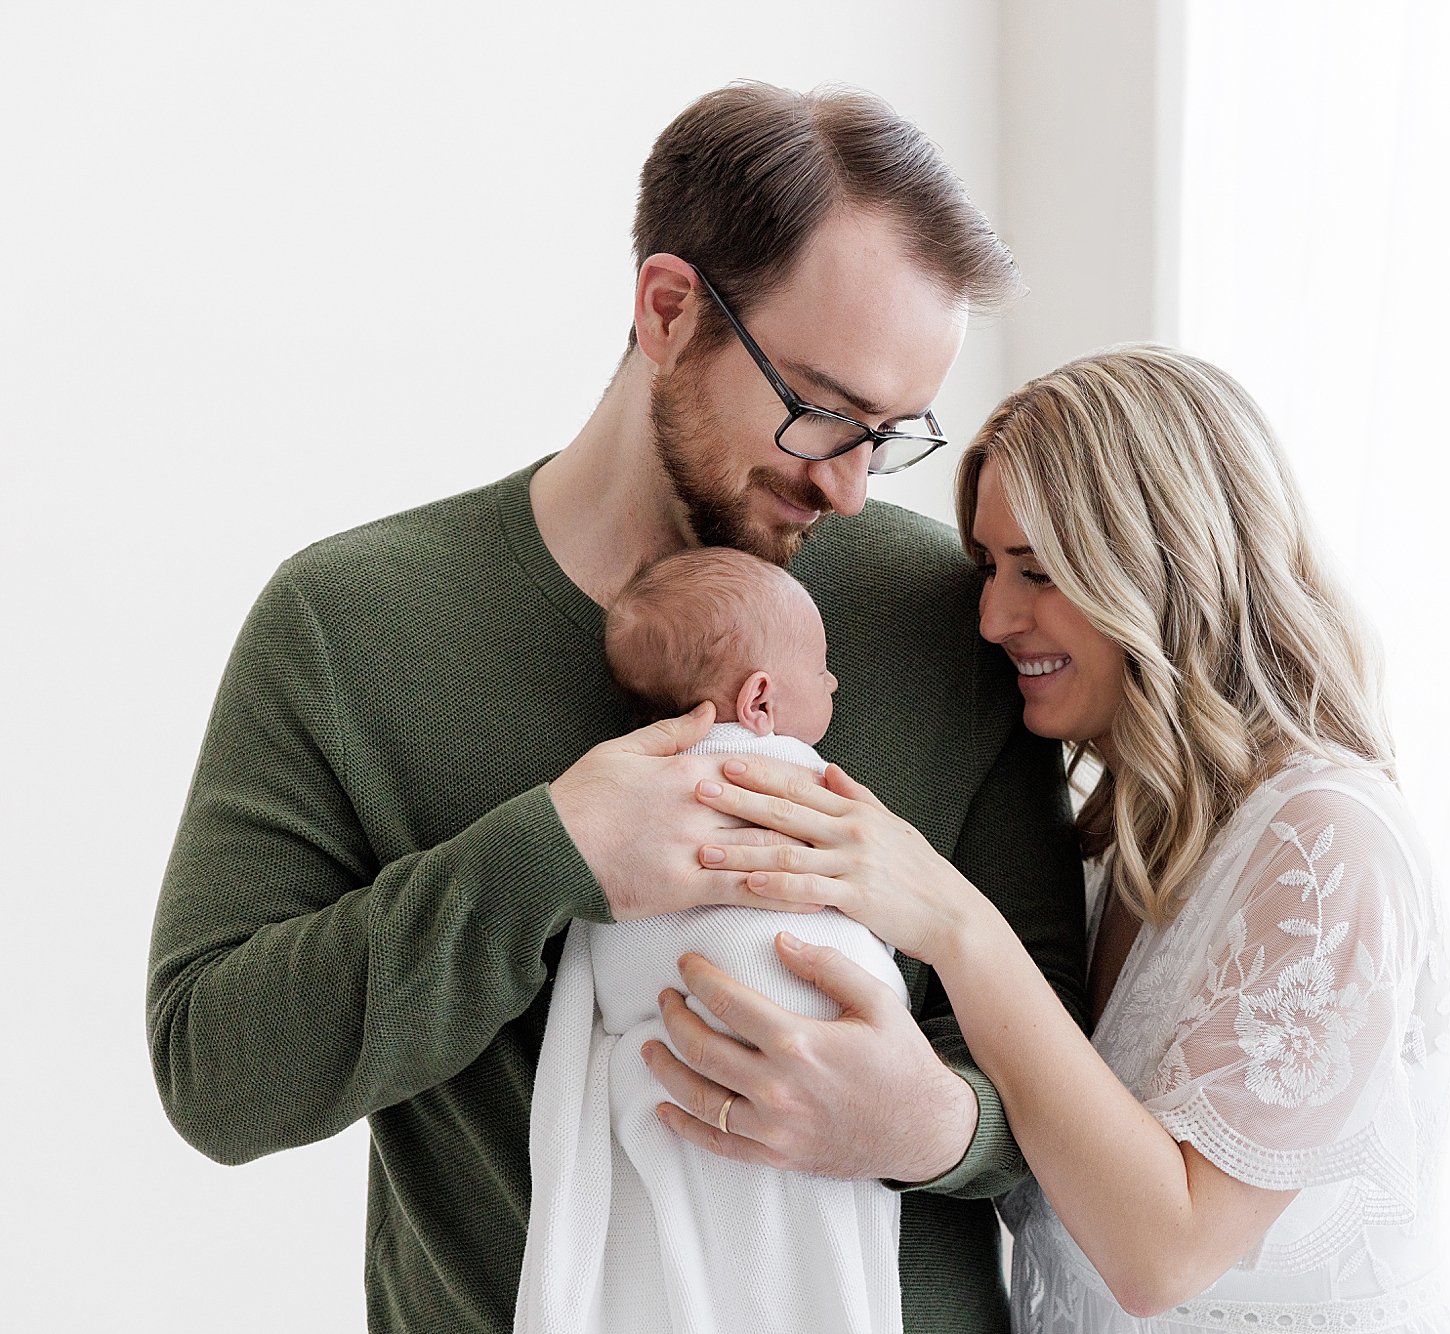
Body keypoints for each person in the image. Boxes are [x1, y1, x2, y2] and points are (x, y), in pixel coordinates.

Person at [146, 82, 1087, 1334]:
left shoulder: (941, 610)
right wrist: (548, 855)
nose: (852, 490)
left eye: (890, 432)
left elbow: (1080, 1066)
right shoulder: (345, 625)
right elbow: (216, 1073)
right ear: (667, 308)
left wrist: (933, 1123)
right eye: (817, 409)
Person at [688, 346, 1450, 1332]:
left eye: (1040, 571)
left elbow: (1162, 1253)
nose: (991, 615)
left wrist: (951, 920)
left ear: (1170, 568)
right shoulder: (1125, 837)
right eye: (987, 566)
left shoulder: (1328, 846)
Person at [518, 545, 906, 1334]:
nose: (834, 682)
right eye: (822, 665)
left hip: (667, 1054)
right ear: (760, 704)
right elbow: (866, 903)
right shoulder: (803, 785)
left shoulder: (626, 794)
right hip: (777, 1032)